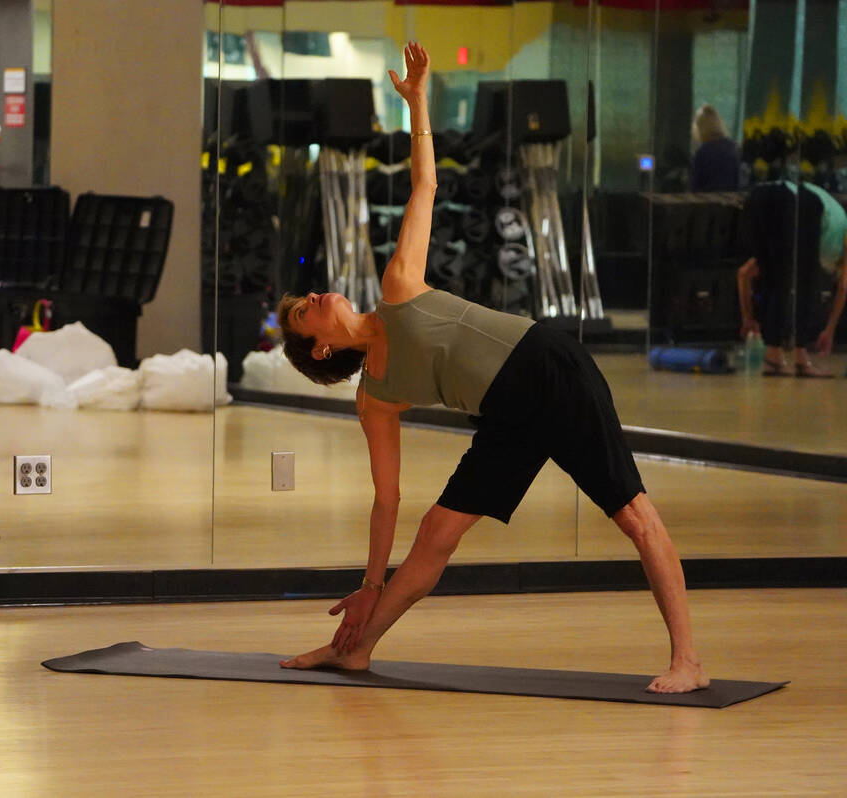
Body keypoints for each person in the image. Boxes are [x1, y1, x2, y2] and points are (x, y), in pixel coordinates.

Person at [276, 42, 708, 694]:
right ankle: (355, 649)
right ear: (319, 349)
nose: (313, 298)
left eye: (305, 298)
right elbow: (385, 499)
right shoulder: (376, 399)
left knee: (634, 517)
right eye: (303, 313)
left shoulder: (398, 286)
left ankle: (689, 662)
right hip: (509, 413)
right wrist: (369, 585)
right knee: (434, 532)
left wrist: (418, 100)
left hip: (550, 371)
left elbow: (425, 184)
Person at [737, 181, 847, 377]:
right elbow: (844, 286)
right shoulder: (838, 235)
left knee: (775, 276)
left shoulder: (830, 237)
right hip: (797, 202)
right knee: (802, 282)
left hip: (758, 197)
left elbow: (744, 274)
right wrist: (829, 330)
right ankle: (799, 360)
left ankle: (774, 357)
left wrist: (748, 318)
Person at [689, 103, 739, 192]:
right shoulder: (733, 148)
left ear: (700, 127)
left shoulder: (703, 152)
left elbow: (695, 187)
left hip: (708, 203)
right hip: (732, 202)